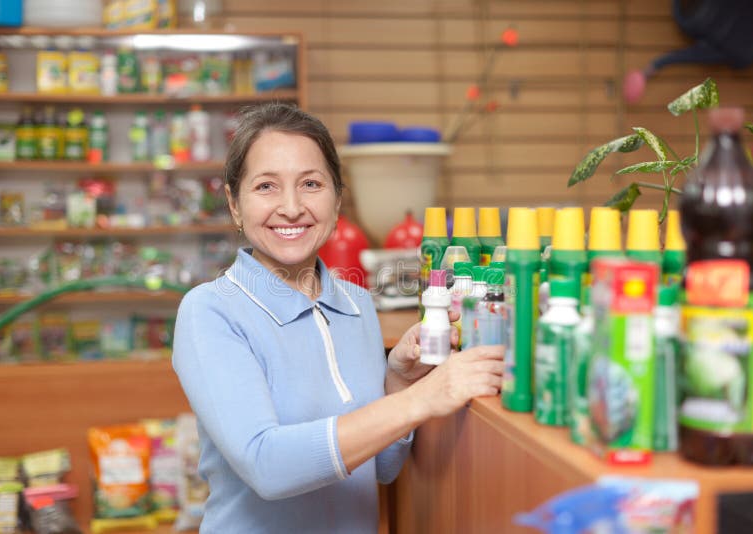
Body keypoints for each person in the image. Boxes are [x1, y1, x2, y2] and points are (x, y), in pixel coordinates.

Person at [172, 102, 504, 533]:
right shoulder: (211, 311)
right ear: (235, 205)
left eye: (311, 183)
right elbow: (265, 466)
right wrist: (421, 398)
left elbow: (381, 467)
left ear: (337, 199)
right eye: (266, 187)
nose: (291, 207)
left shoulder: (356, 304)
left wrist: (398, 381)